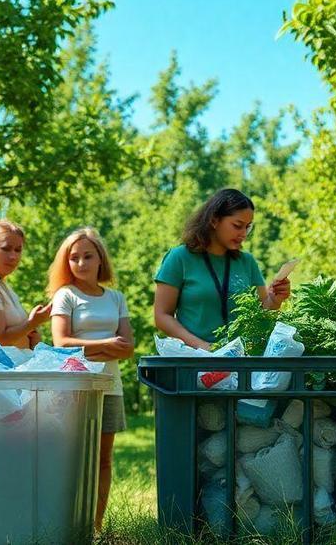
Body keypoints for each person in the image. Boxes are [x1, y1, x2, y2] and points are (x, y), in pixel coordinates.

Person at [46, 227, 134, 530]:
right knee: (73, 459)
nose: (81, 263)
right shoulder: (65, 295)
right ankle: (67, 523)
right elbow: (61, 344)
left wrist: (94, 350)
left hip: (110, 386)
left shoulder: (116, 297)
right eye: (73, 258)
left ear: (100, 259)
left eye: (87, 256)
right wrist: (106, 345)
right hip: (75, 388)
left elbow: (128, 347)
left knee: (104, 460)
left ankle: (94, 527)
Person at [153, 189, 290, 349]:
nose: (244, 234)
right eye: (237, 226)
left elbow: (262, 312)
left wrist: (275, 299)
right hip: (194, 362)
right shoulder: (179, 257)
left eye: (248, 227)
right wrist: (204, 347)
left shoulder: (247, 262)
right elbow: (162, 316)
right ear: (214, 220)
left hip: (240, 363)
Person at [0, 218, 52, 349]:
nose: (13, 256)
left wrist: (32, 336)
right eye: (6, 248)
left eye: (18, 250)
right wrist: (33, 323)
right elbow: (1, 340)